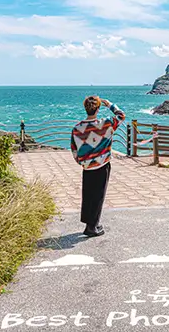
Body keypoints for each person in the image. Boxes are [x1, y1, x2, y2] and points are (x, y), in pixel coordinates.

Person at [70, 95, 125, 237]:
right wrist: (110, 105)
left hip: (87, 166)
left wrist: (82, 162)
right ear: (98, 108)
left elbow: (74, 149)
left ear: (85, 108)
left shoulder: (77, 128)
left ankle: (89, 222)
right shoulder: (105, 123)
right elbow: (121, 115)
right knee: (98, 195)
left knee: (88, 194)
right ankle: (92, 227)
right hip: (102, 164)